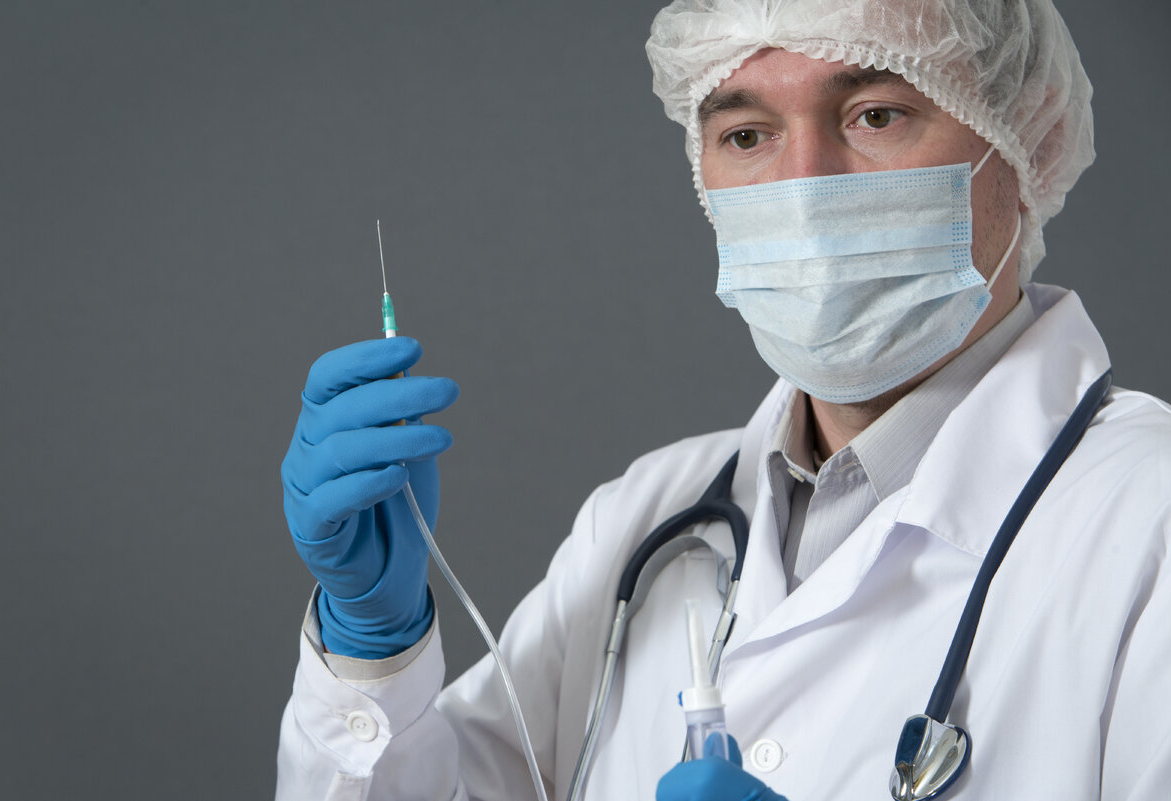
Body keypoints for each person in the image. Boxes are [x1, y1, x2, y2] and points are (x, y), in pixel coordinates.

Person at [275, 1, 1171, 798]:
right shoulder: (642, 521)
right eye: (747, 134)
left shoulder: (1148, 520)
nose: (804, 185)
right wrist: (374, 651)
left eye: (876, 114)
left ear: (1031, 141)